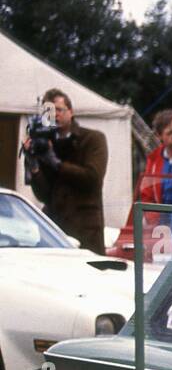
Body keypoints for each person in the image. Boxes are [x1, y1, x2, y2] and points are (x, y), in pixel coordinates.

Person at [23, 89, 109, 254]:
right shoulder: (45, 142)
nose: (55, 115)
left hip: (84, 229)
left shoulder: (92, 139)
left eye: (59, 110)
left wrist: (55, 163)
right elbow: (43, 195)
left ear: (71, 111)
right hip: (54, 230)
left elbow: (93, 178)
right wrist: (34, 167)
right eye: (50, 111)